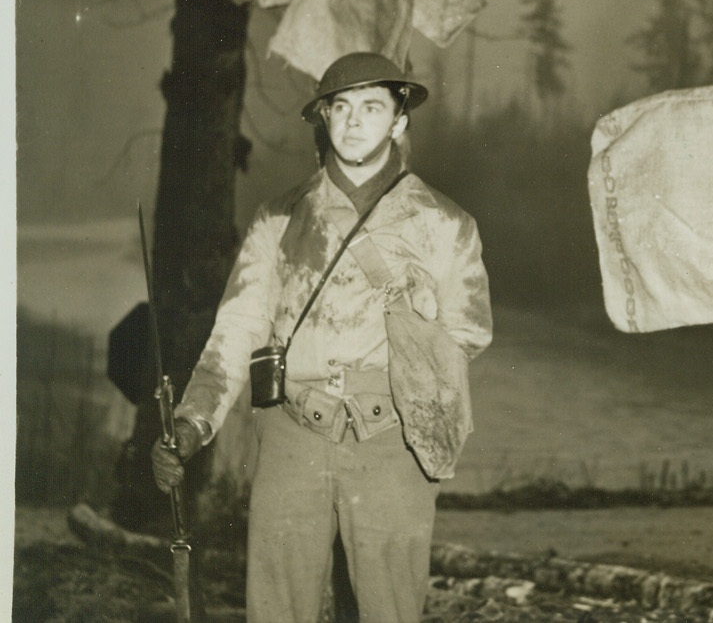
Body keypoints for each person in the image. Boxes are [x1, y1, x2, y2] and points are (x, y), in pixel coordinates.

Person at [151, 52, 493, 622]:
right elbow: (237, 329)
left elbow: (468, 333)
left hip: (393, 442)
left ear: (399, 120)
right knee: (277, 608)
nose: (355, 121)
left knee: (390, 609)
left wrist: (413, 336)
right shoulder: (279, 218)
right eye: (342, 108)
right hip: (292, 437)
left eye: (372, 107)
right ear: (324, 118)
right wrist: (193, 422)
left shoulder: (444, 224)